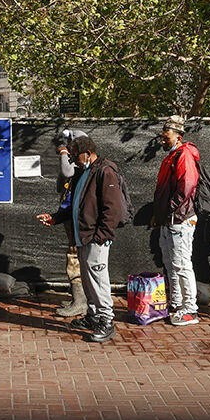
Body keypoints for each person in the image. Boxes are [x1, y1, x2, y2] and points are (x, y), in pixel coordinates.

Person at [37, 135, 124, 342]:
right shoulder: (83, 173)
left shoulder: (105, 171)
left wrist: (102, 235)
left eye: (76, 155)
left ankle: (106, 321)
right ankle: (93, 315)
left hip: (95, 238)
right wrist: (55, 218)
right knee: (88, 279)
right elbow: (74, 204)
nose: (74, 160)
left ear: (87, 153)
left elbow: (113, 209)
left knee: (98, 280)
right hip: (84, 236)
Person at [152, 116, 201, 326]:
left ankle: (190, 310)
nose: (162, 141)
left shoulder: (184, 155)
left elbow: (186, 187)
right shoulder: (172, 156)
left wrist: (168, 210)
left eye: (166, 137)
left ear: (178, 137)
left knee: (181, 264)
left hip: (180, 219)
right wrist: (160, 215)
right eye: (162, 137)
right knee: (170, 264)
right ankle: (176, 303)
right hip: (169, 219)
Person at [53, 128, 87, 318]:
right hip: (69, 215)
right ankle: (79, 298)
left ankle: (80, 302)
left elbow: (67, 172)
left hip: (78, 219)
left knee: (74, 257)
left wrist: (63, 153)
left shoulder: (83, 163)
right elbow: (62, 182)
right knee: (74, 255)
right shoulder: (77, 162)